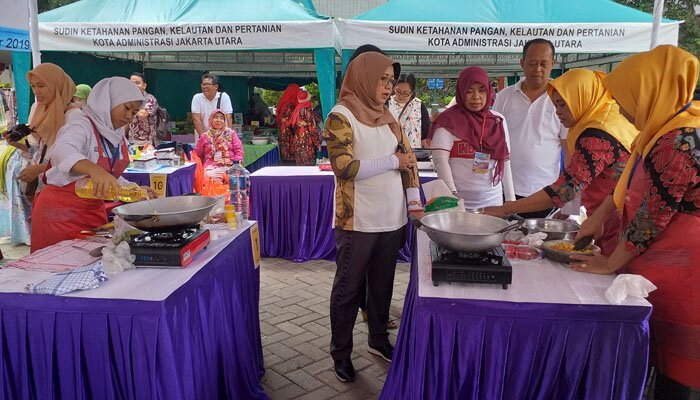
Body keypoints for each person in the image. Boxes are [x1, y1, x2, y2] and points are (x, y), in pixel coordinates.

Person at [569, 45, 700, 399]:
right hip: (662, 267)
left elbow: (650, 220)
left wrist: (608, 264)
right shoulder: (660, 131)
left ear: (649, 92)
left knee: (681, 380)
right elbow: (624, 190)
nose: (624, 111)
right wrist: (597, 218)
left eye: (627, 100)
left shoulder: (679, 140)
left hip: (687, 272)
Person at [324, 52, 422, 383]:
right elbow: (344, 168)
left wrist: (413, 203)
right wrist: (393, 162)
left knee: (382, 287)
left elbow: (409, 160)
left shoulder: (388, 116)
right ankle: (341, 352)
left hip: (392, 219)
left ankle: (379, 341)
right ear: (363, 77)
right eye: (382, 79)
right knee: (348, 289)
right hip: (358, 221)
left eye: (391, 81)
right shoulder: (340, 117)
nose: (388, 86)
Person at [484, 69, 637, 256]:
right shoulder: (606, 115)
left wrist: (504, 209)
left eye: (563, 105)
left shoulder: (597, 134)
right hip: (611, 215)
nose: (558, 113)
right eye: (556, 106)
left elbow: (564, 190)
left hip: (619, 221)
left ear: (582, 97)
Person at [30, 77, 153, 252]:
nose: (128, 116)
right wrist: (93, 169)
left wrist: (135, 190)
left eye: (134, 113)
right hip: (59, 215)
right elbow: (61, 150)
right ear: (109, 100)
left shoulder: (117, 136)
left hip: (92, 211)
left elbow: (109, 175)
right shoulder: (81, 125)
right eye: (126, 108)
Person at [0, 63, 78, 245]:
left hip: (64, 192)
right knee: (44, 243)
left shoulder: (75, 117)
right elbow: (37, 149)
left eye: (41, 86)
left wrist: (40, 168)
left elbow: (78, 160)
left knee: (61, 245)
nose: (36, 91)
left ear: (56, 85)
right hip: (42, 192)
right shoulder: (39, 109)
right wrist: (17, 144)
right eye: (33, 86)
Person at [492, 38, 568, 218]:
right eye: (532, 63)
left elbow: (569, 150)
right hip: (504, 190)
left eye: (544, 63)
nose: (538, 69)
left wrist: (566, 204)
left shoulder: (562, 99)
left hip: (543, 195)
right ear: (522, 63)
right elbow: (491, 140)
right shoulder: (504, 96)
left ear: (553, 63)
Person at [429, 66, 515, 209]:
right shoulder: (447, 121)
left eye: (481, 90)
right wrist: (452, 195)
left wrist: (511, 200)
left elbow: (505, 161)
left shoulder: (498, 121)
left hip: (493, 201)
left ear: (489, 91)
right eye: (469, 91)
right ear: (461, 93)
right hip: (458, 202)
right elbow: (440, 161)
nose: (476, 97)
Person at [387, 73, 431, 149]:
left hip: (413, 153)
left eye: (405, 93)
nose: (401, 96)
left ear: (412, 92)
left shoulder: (419, 105)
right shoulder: (387, 103)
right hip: (390, 152)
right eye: (398, 91)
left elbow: (425, 135)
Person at [191, 74, 233, 138]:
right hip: (203, 135)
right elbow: (196, 119)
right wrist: (204, 138)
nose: (205, 87)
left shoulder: (224, 97)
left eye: (208, 84)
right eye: (203, 84)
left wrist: (228, 136)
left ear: (216, 86)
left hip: (221, 137)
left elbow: (228, 118)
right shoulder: (197, 98)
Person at [126, 72, 159, 144]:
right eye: (131, 83)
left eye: (137, 83)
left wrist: (130, 104)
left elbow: (143, 114)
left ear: (144, 86)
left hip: (147, 142)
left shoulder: (150, 99)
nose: (134, 86)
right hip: (131, 141)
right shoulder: (128, 99)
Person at [290, 89, 320, 166]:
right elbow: (312, 128)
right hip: (307, 141)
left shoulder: (297, 110)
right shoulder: (308, 110)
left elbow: (293, 125)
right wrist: (317, 143)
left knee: (300, 166)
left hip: (298, 140)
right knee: (308, 165)